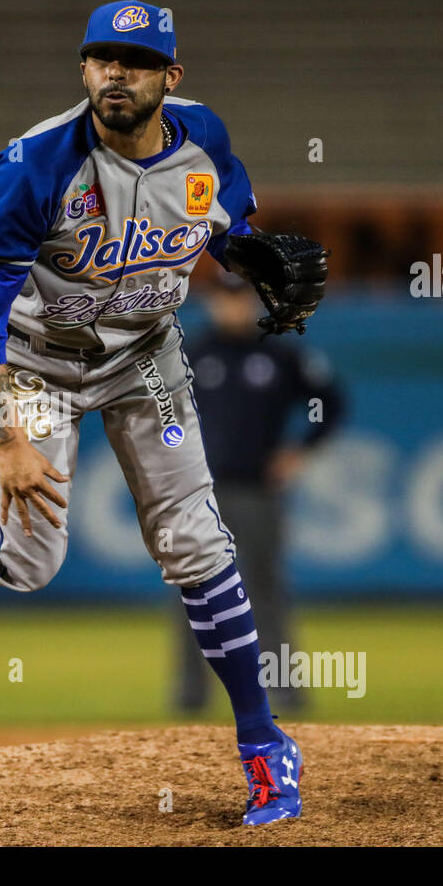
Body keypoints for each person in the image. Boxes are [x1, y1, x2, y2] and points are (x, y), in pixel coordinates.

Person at [0, 0, 318, 825]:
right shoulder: (37, 165)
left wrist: (247, 256)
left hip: (146, 357)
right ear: (84, 69)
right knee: (26, 565)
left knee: (195, 538)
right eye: (99, 58)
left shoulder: (206, 139)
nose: (114, 73)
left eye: (134, 59)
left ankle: (265, 749)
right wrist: (8, 434)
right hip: (37, 365)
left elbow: (226, 225)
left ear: (170, 77)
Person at [172, 271, 346, 716]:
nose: (232, 306)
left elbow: (330, 402)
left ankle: (286, 691)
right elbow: (156, 414)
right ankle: (192, 697)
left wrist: (299, 452)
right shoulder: (191, 354)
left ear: (251, 301)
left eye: (239, 297)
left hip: (258, 491)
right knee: (194, 593)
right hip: (200, 496)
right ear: (212, 302)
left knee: (266, 590)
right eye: (224, 297)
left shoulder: (280, 353)